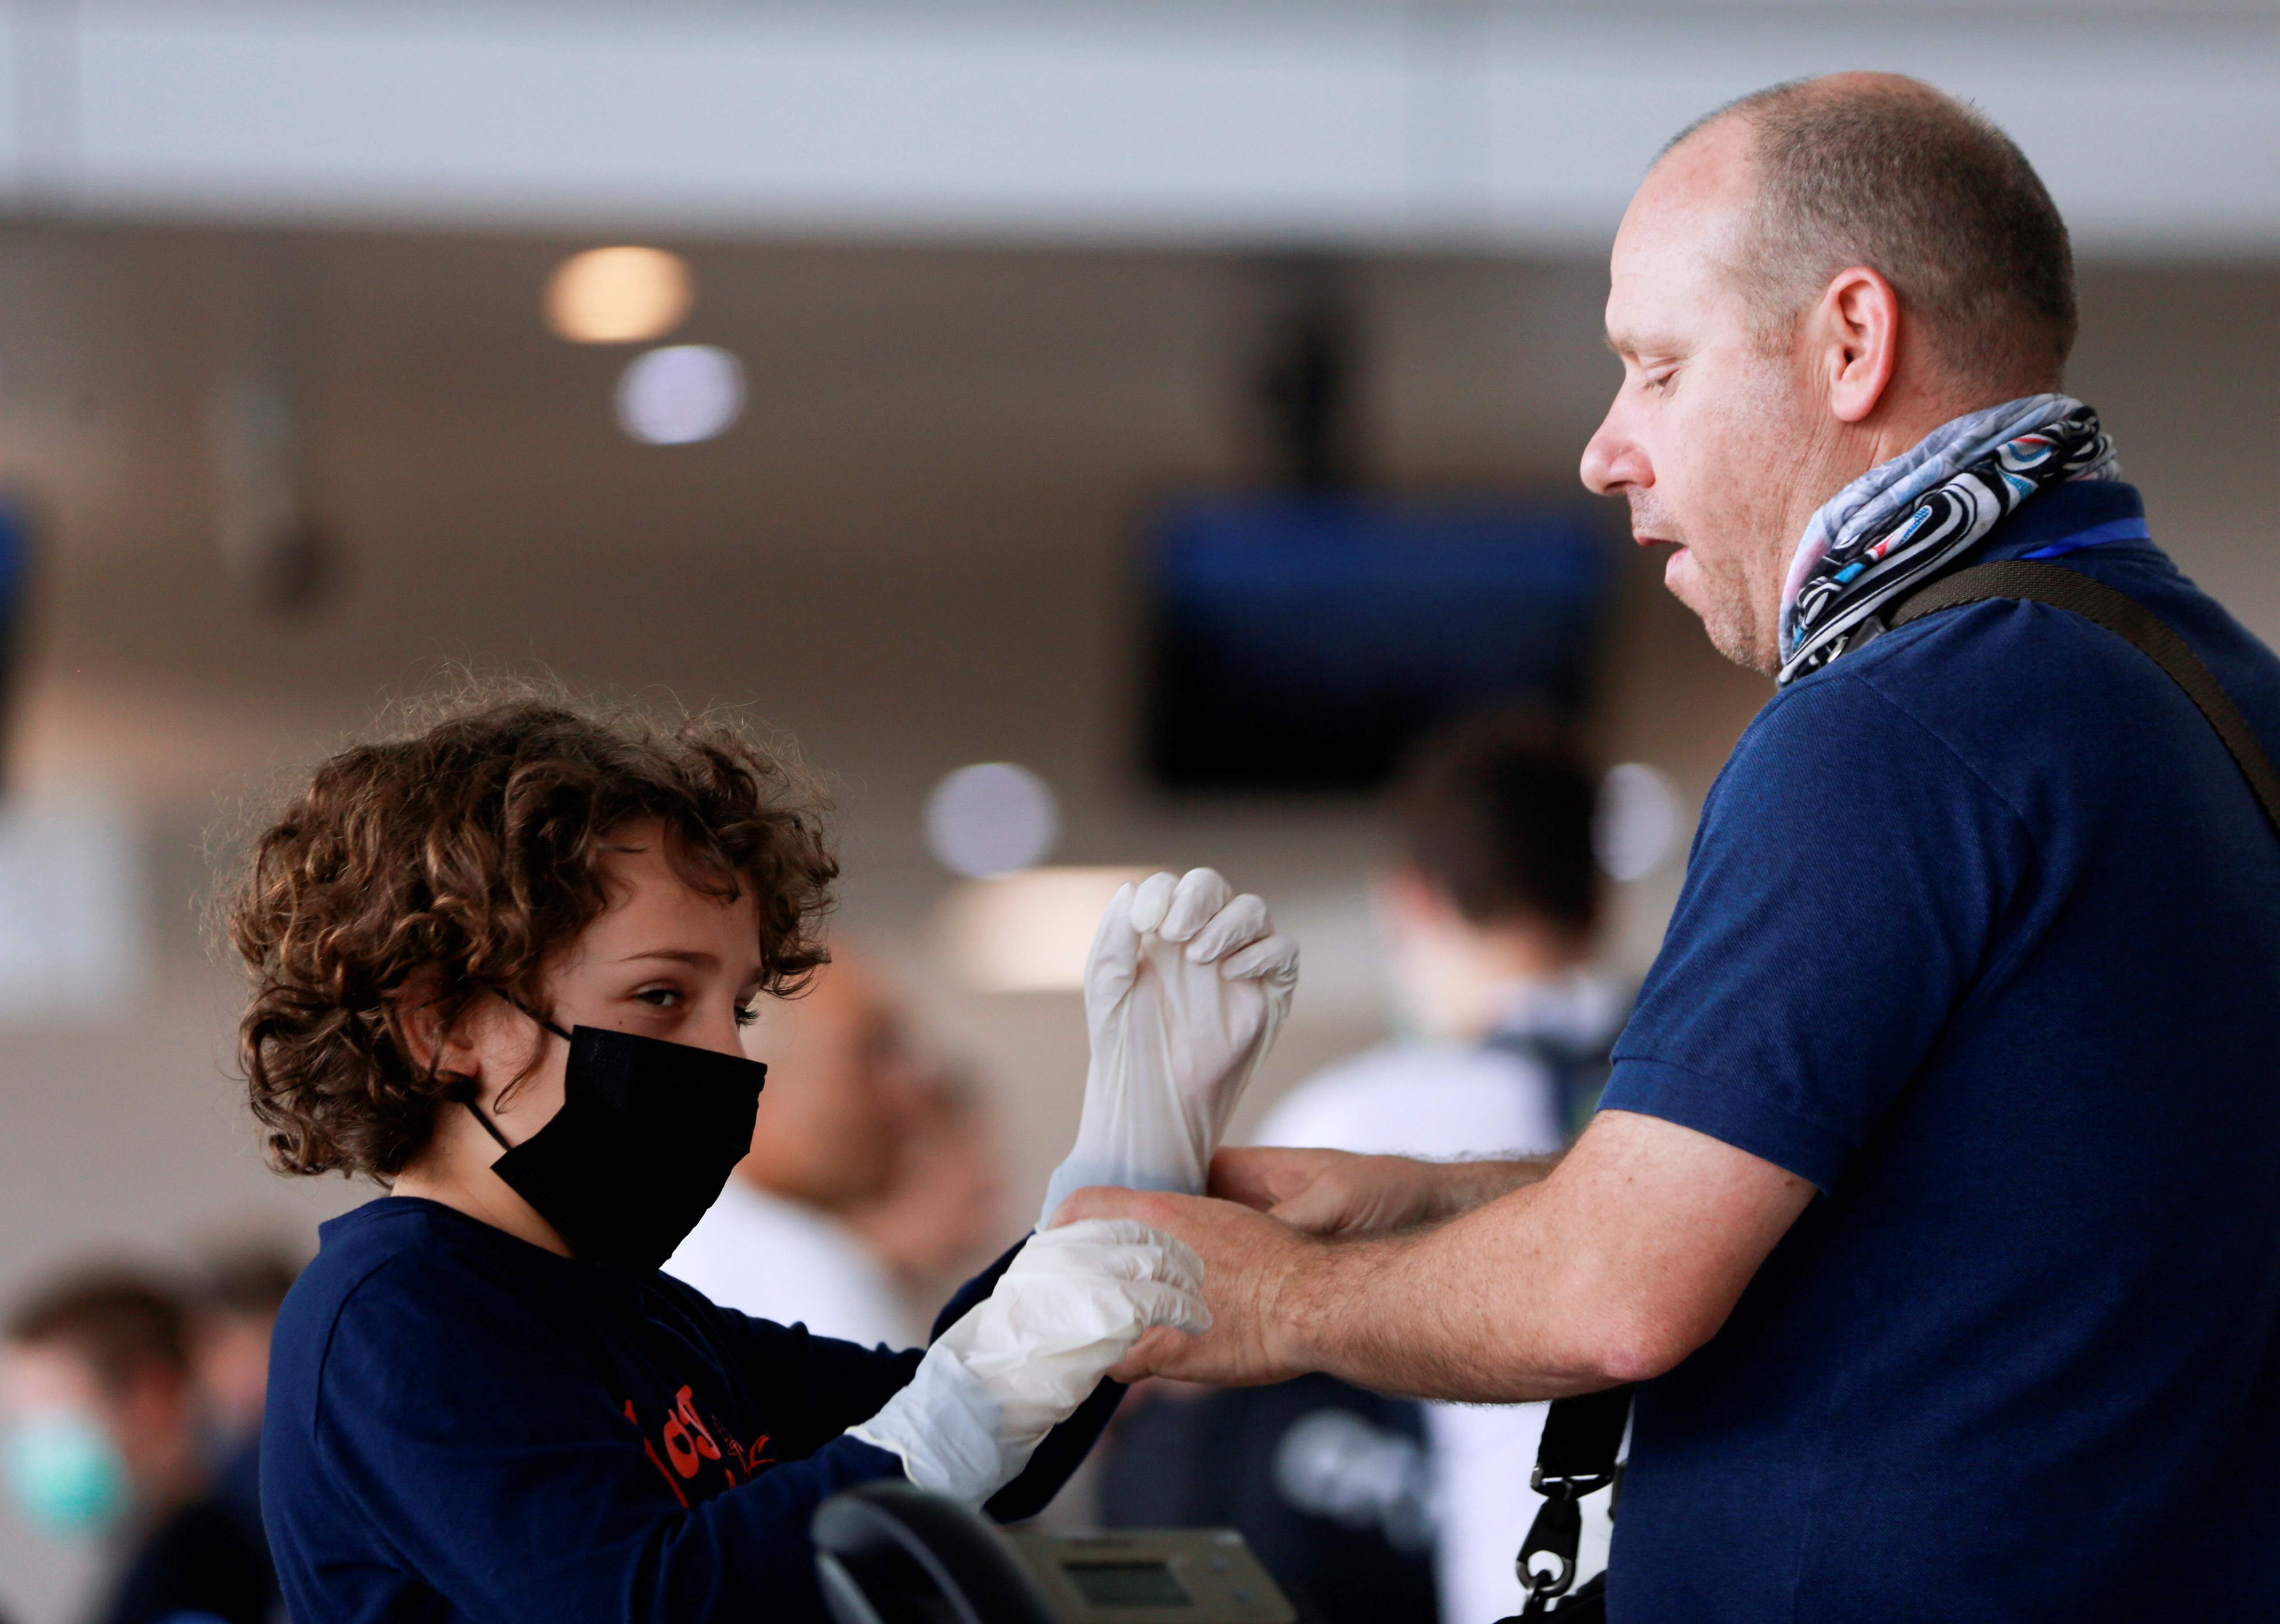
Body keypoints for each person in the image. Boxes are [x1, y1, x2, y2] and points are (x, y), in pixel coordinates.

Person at [1062, 73, 2280, 1620]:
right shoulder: (2217, 702)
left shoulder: (1894, 724)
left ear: (1851, 342)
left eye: (1653, 368)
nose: (1603, 450)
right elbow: (1969, 1218)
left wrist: (1265, 1297)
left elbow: (1613, 1294)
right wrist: (1411, 1201)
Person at [233, 690, 1297, 1624]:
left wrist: (1133, 1151)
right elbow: (649, 1601)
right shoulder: (394, 1313)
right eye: (660, 996)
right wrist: (971, 1397)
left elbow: (993, 1445)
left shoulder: (636, 1310)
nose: (726, 1056)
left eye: (735, 1007)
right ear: (443, 1024)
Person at [1098, 710, 1627, 1624]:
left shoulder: (1358, 1118)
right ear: (1599, 897)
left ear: (1411, 900)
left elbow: (1175, 1348)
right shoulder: (1692, 1103)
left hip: (1505, 1585)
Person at [666, 950, 950, 1349]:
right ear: (759, 1079)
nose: (908, 1092)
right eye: (871, 1054)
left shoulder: (656, 1244)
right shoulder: (799, 1270)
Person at [3, 1269, 274, 1624]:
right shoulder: (160, 1556)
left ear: (150, 1394)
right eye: (19, 1420)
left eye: (51, 1407)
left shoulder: (206, 1560)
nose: (33, 1443)